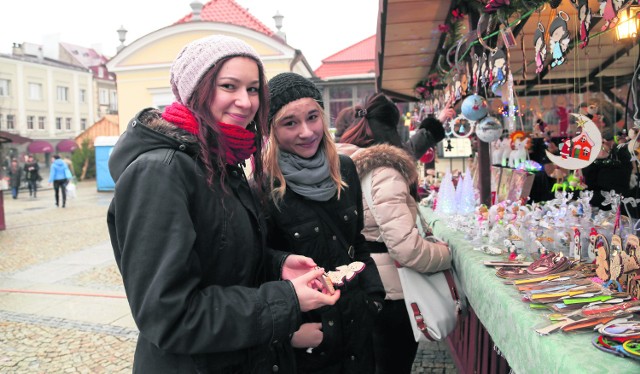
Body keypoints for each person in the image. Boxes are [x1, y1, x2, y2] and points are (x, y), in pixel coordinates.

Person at [106, 35, 339, 374]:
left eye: (254, 88)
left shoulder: (223, 162)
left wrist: (277, 265)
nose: (245, 102)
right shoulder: (161, 172)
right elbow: (169, 315)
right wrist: (286, 299)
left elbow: (221, 261)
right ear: (194, 90)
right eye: (229, 86)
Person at [263, 72, 385, 373]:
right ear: (272, 131)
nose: (306, 131)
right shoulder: (264, 186)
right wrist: (287, 332)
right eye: (289, 123)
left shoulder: (343, 168)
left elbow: (357, 242)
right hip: (310, 337)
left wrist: (373, 298)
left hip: (358, 324)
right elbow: (259, 266)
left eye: (313, 117)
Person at [337, 93, 452, 374]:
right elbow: (406, 248)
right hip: (390, 294)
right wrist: (447, 254)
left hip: (355, 285)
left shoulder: (338, 163)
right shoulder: (383, 170)